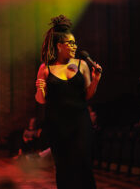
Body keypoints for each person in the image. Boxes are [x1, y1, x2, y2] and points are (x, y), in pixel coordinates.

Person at [35, 15, 101, 189]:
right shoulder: (45, 68)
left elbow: (87, 96)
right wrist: (40, 88)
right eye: (70, 43)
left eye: (75, 43)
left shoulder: (82, 65)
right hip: (57, 124)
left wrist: (95, 80)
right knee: (63, 167)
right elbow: (41, 100)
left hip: (80, 121)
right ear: (59, 46)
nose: (75, 46)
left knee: (84, 163)